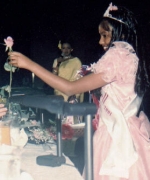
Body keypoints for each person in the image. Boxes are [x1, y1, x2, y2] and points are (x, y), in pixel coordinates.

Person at [8, 2, 150, 179]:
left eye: (105, 35)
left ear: (120, 33)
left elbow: (70, 88)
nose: (100, 41)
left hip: (117, 138)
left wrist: (30, 65)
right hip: (128, 130)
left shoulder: (118, 55)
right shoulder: (130, 56)